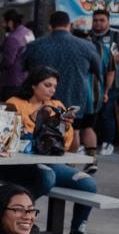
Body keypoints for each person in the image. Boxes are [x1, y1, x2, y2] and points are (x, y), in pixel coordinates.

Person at [0, 66, 102, 234]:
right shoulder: (15, 103)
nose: (52, 90)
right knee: (47, 176)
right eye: (47, 85)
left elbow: (66, 146)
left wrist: (65, 127)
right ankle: (16, 221)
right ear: (33, 85)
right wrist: (36, 123)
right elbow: (10, 138)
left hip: (49, 162)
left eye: (54, 86)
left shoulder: (58, 106)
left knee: (88, 183)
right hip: (14, 164)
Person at [22, 11, 102, 172]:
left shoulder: (35, 45)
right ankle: (67, 166)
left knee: (40, 129)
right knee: (73, 132)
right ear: (69, 26)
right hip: (74, 95)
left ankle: (44, 164)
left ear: (50, 27)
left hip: (41, 98)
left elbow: (23, 68)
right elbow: (98, 71)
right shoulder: (87, 46)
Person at [90, 8, 119, 154]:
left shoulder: (117, 34)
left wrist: (105, 61)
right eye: (95, 20)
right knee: (91, 113)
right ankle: (89, 143)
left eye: (102, 20)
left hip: (112, 83)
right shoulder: (88, 35)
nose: (98, 23)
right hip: (90, 83)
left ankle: (107, 143)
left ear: (108, 21)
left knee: (106, 112)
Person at [0, 9, 33, 96]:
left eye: (4, 22)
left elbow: (7, 61)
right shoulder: (28, 32)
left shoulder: (13, 38)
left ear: (10, 23)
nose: (2, 25)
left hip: (12, 81)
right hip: (26, 78)